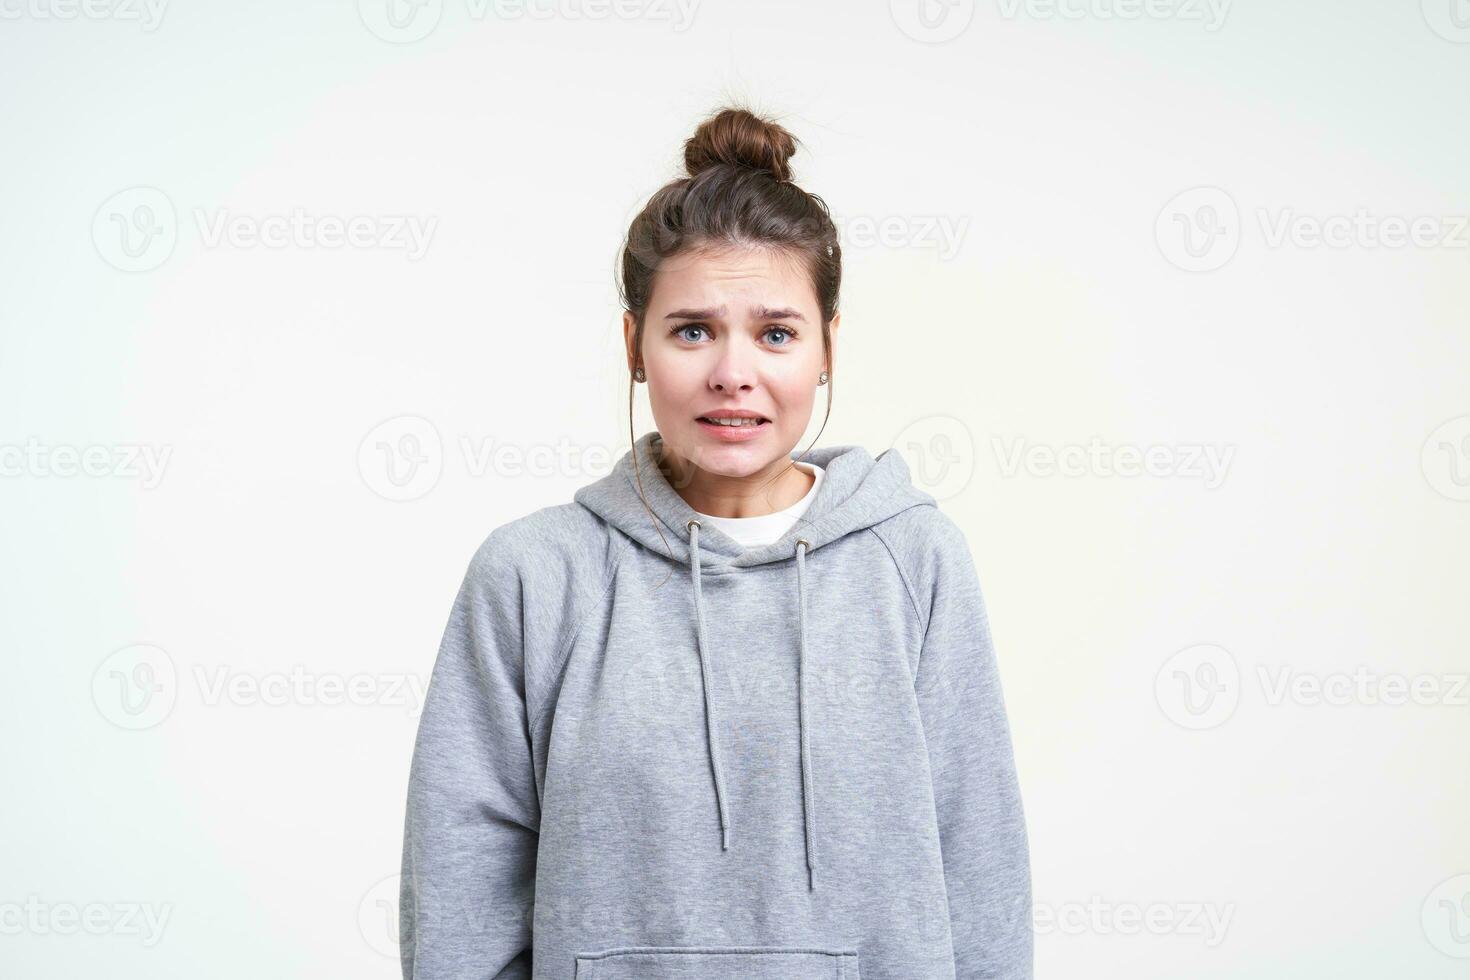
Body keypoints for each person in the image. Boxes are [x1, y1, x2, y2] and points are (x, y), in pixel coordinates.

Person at [399, 106, 1032, 980]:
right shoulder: (533, 578)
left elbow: (980, 862)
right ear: (634, 345)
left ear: (826, 352)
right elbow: (460, 893)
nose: (733, 372)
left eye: (776, 332)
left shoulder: (915, 562)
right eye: (692, 330)